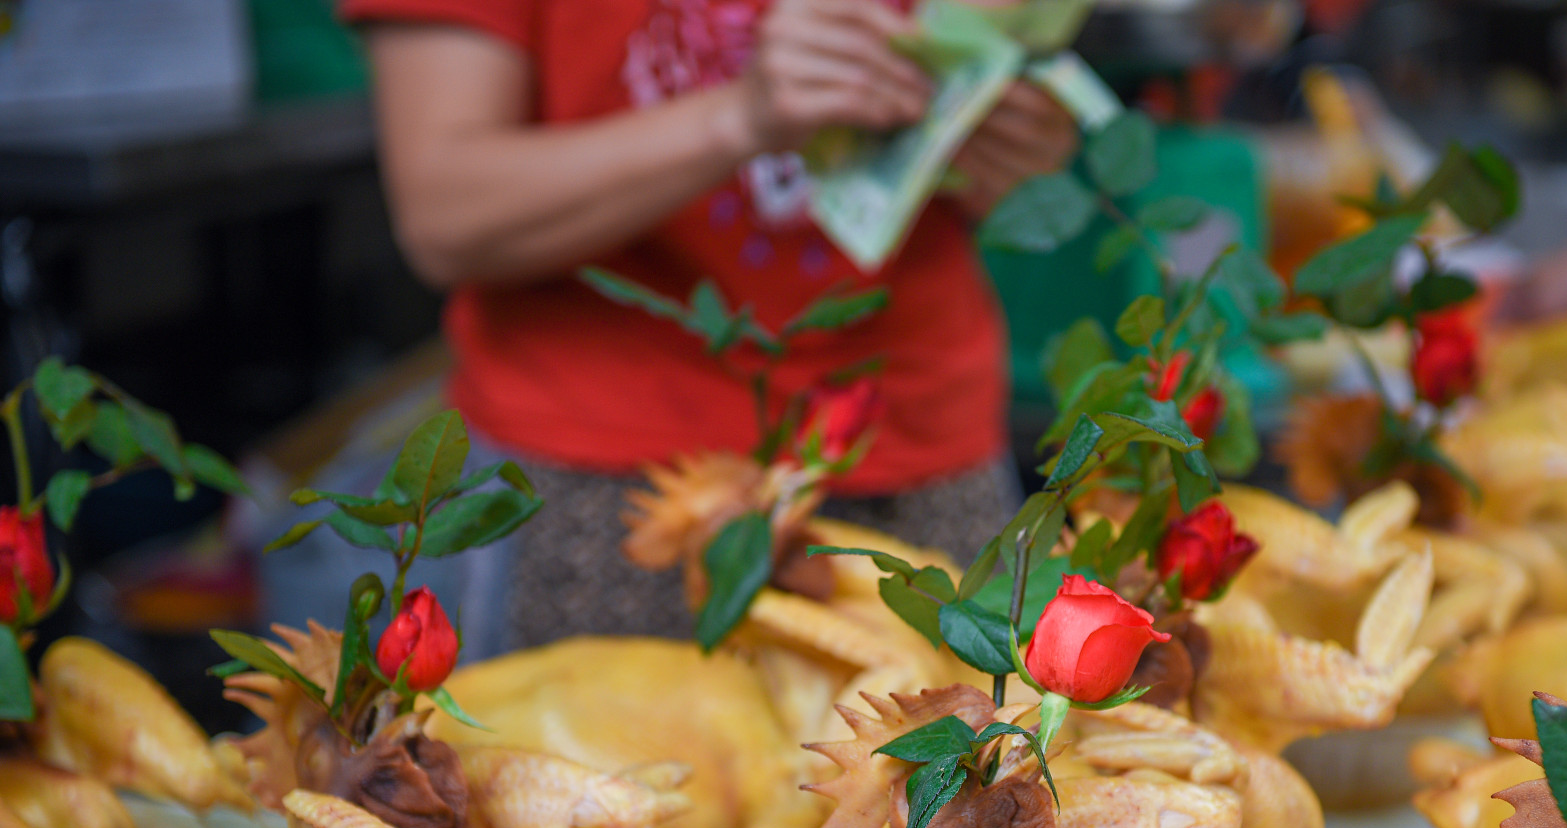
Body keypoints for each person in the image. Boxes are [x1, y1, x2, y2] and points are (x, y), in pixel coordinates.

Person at [340, 0, 1077, 646]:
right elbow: (445, 213)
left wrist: (1009, 145)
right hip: (608, 482)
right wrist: (740, 116)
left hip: (921, 443)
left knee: (968, 756)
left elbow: (1014, 170)